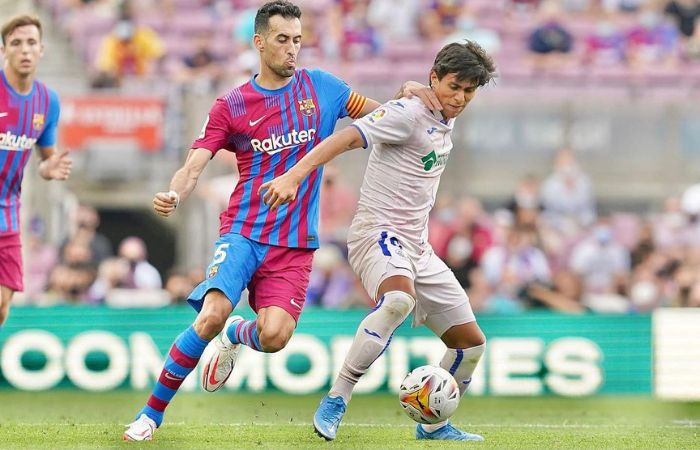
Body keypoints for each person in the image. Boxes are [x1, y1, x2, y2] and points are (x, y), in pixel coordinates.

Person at [123, 0, 438, 441]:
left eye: (297, 41)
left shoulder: (324, 88)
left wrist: (407, 96)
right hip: (244, 231)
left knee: (274, 337)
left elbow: (382, 116)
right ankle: (150, 415)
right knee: (210, 314)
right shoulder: (232, 104)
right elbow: (195, 162)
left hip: (294, 243)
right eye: (282, 40)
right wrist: (176, 190)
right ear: (259, 42)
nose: (292, 49)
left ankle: (238, 333)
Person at [259, 40, 496, 442]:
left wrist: (413, 88)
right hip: (377, 234)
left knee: (470, 346)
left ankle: (434, 426)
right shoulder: (408, 113)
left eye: (469, 91)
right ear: (434, 76)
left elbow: (424, 102)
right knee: (398, 301)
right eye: (454, 86)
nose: (460, 98)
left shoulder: (440, 111)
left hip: (418, 246)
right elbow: (347, 137)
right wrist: (293, 176)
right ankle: (336, 399)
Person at [0, 15, 71, 330]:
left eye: (31, 43)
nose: (24, 50)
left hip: (8, 215)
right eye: (16, 43)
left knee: (2, 306)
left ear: (42, 49)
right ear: (4, 50)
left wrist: (49, 167)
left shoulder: (47, 101)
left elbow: (45, 158)